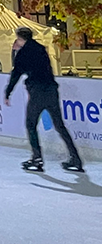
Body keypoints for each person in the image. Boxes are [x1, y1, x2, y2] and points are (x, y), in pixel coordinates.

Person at [6, 26, 83, 173]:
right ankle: (76, 158)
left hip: (37, 92)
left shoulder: (24, 53)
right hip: (51, 90)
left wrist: (7, 93)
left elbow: (16, 72)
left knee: (30, 124)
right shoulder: (41, 49)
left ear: (20, 39)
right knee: (60, 126)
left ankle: (37, 158)